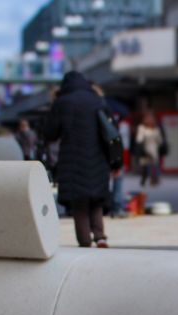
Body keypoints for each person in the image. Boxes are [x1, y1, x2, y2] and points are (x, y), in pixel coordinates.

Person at [44, 71, 111, 248]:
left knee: (79, 203)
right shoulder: (96, 100)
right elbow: (109, 129)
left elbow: (50, 132)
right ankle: (100, 236)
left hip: (72, 159)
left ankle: (85, 241)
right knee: (96, 198)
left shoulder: (62, 103)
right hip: (97, 157)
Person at [134, 110, 163, 188]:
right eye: (148, 118)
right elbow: (139, 140)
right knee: (144, 166)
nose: (149, 119)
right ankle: (144, 179)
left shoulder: (156, 128)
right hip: (144, 149)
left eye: (151, 118)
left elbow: (159, 140)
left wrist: (159, 145)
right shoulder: (141, 128)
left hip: (154, 150)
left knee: (154, 165)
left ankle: (154, 180)